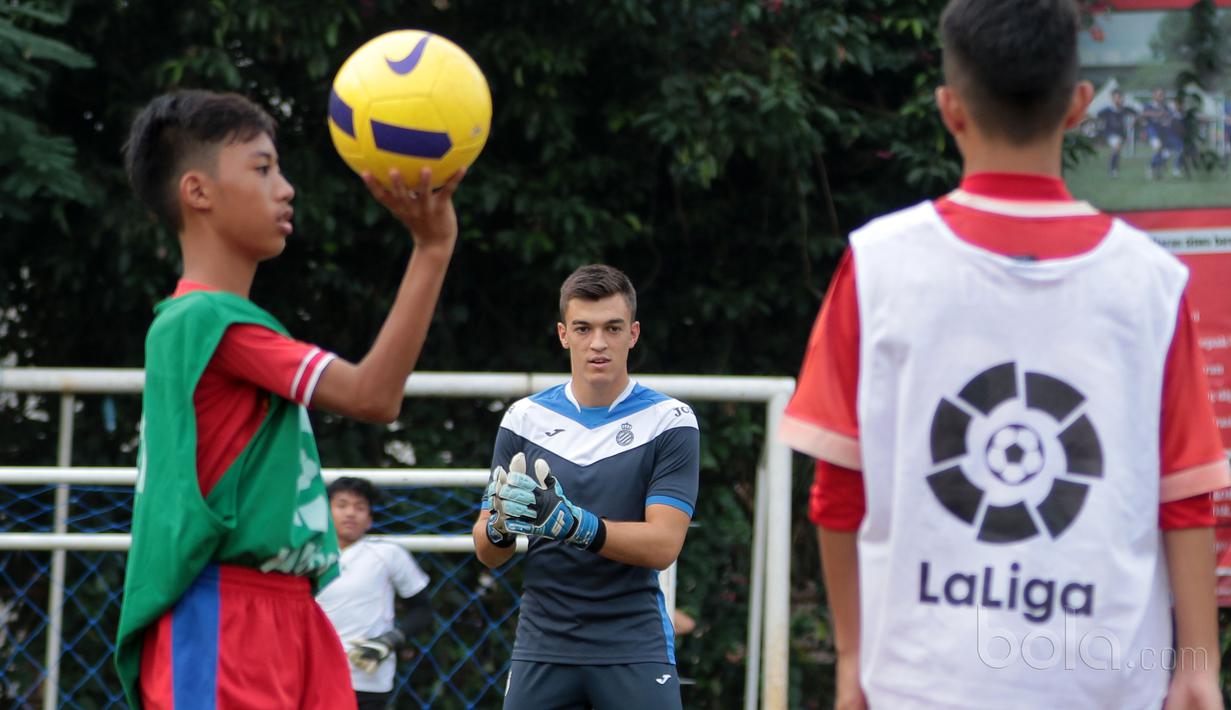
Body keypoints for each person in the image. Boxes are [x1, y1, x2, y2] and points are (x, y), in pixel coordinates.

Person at [778, 2, 1230, 709]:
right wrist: (1197, 666)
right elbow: (1184, 493)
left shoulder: (877, 266)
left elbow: (837, 487)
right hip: (1104, 682)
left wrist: (852, 658)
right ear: (1079, 106)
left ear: (949, 108)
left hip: (920, 680)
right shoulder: (1151, 283)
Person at [113, 89, 463, 709]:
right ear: (197, 191)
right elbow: (373, 395)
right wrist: (431, 250)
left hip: (292, 610)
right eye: (262, 168)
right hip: (224, 615)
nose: (285, 188)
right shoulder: (203, 321)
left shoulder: (227, 324)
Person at [471, 264, 700, 710]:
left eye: (612, 328)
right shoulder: (523, 419)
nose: (598, 342)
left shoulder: (670, 420)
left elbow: (663, 545)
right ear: (563, 334)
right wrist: (499, 527)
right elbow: (487, 550)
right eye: (583, 328)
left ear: (633, 334)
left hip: (633, 642)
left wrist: (576, 525)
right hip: (542, 643)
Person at [317, 477, 434, 710]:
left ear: (369, 519)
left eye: (360, 507)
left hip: (367, 680)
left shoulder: (389, 554)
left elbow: (423, 611)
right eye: (342, 505)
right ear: (326, 512)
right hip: (310, 673)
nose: (350, 513)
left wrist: (390, 640)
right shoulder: (303, 556)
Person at [1095, 89, 1135, 178]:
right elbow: (1097, 116)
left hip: (1122, 134)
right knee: (1117, 147)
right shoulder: (1107, 110)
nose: (1119, 99)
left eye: (1120, 97)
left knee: (1117, 151)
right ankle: (1112, 169)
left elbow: (1137, 114)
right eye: (1116, 97)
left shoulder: (1125, 109)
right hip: (1110, 133)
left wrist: (1133, 122)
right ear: (1112, 99)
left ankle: (1114, 168)